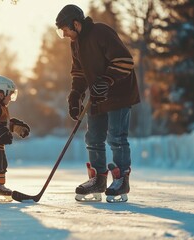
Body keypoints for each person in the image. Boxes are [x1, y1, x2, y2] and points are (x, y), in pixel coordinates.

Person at [55, 5, 140, 202]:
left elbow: (125, 61)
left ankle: (121, 180)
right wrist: (75, 94)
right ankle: (98, 179)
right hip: (97, 95)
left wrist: (106, 80)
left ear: (76, 24)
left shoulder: (101, 32)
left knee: (116, 137)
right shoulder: (75, 43)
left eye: (65, 30)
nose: (65, 34)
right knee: (93, 138)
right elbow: (78, 72)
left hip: (119, 93)